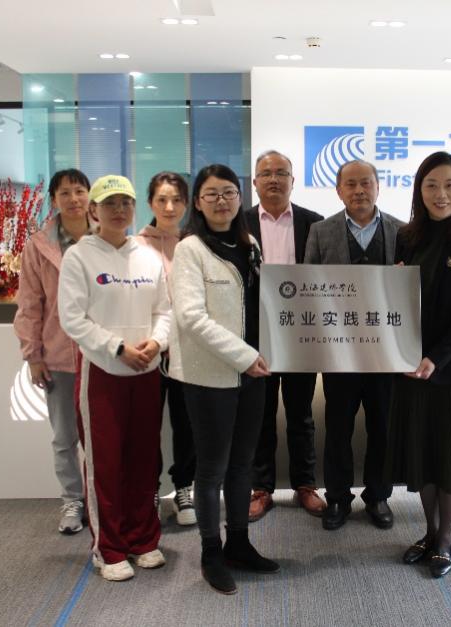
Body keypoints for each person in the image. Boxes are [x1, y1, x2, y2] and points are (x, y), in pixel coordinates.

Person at [169, 164, 279, 595]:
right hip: (210, 375)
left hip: (252, 374)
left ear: (240, 198)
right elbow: (191, 317)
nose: (221, 201)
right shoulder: (190, 250)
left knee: (242, 464)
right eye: (211, 194)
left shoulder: (249, 245)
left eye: (229, 192)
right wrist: (245, 356)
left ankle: (239, 543)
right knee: (212, 468)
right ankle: (211, 552)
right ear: (197, 202)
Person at [58, 174, 172, 581]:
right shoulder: (79, 256)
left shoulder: (147, 257)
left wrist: (157, 342)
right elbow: (72, 318)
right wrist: (117, 348)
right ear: (94, 210)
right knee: (105, 463)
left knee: (144, 458)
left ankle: (143, 539)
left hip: (146, 372)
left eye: (125, 202)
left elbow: (164, 311)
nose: (119, 210)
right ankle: (108, 548)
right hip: (103, 373)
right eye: (110, 203)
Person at [386, 152, 451, 579]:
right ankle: (429, 533)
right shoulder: (407, 236)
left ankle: (445, 538)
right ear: (420, 190)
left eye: (450, 185)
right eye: (431, 185)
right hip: (412, 364)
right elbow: (398, 302)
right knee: (423, 454)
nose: (440, 194)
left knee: (447, 458)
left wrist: (437, 358)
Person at [305, 159, 403, 531]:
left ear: (378, 186)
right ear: (338, 190)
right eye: (351, 184)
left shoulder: (402, 231)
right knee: (337, 427)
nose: (359, 190)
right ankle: (338, 498)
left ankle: (378, 496)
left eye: (366, 183)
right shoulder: (320, 231)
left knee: (383, 427)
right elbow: (309, 290)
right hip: (339, 351)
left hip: (386, 352)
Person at [244, 150, 326, 521]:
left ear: (293, 180)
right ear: (255, 182)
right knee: (259, 415)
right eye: (266, 173)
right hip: (256, 334)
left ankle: (305, 485)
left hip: (300, 333)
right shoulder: (240, 223)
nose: (274, 179)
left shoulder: (314, 223)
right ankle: (261, 488)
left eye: (281, 173)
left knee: (301, 414)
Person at [13, 168, 91, 535]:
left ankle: (101, 499)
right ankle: (72, 500)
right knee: (64, 438)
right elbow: (29, 303)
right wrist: (33, 355)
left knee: (103, 437)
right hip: (59, 355)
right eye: (65, 193)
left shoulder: (107, 235)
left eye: (79, 191)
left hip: (103, 356)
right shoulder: (39, 245)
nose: (73, 199)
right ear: (54, 200)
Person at [138, 171, 196, 526]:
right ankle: (149, 491)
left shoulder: (194, 244)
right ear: (150, 203)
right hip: (147, 352)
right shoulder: (135, 245)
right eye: (161, 199)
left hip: (188, 351)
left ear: (187, 204)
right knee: (147, 426)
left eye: (176, 199)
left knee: (186, 425)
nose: (169, 207)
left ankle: (184, 488)